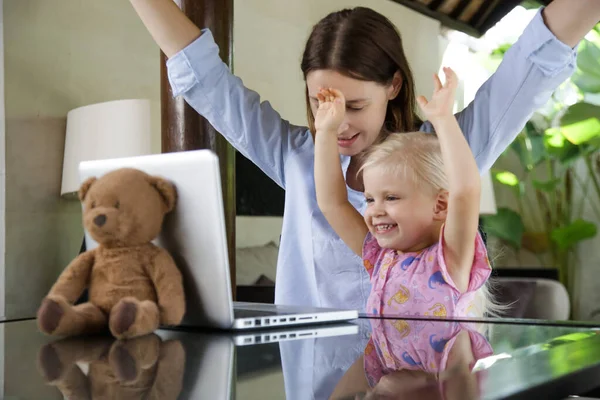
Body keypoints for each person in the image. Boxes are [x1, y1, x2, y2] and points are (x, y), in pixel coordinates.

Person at [128, 0, 600, 309]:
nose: (341, 122)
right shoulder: (299, 158)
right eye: (322, 103)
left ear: (393, 85)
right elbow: (206, 79)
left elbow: (534, 62)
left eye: (356, 105)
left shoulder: (443, 153)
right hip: (314, 379)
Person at [314, 67, 497, 318]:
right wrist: (325, 132)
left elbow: (465, 191)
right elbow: (332, 203)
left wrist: (444, 120)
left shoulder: (449, 260)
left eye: (391, 197)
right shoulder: (379, 257)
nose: (376, 210)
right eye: (370, 199)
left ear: (441, 205)